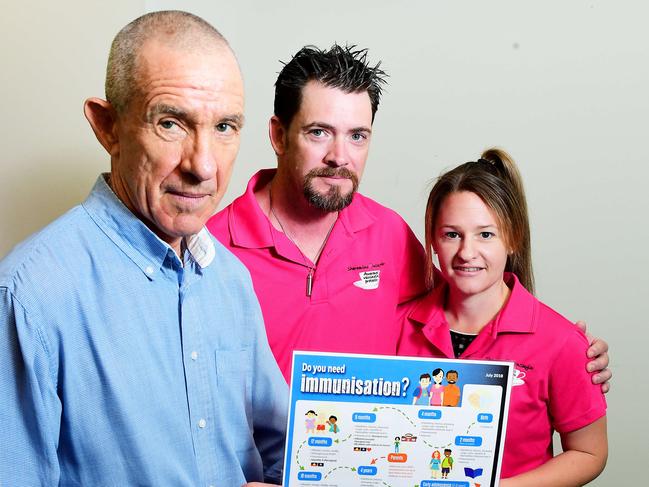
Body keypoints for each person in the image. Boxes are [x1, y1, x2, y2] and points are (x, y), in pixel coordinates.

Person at [207, 44, 612, 389]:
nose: (340, 156)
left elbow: (464, 308)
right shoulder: (210, 248)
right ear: (278, 135)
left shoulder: (389, 235)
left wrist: (566, 353)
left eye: (357, 135)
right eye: (319, 132)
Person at [0, 11, 286, 487]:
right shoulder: (29, 298)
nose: (204, 165)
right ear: (108, 126)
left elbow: (284, 452)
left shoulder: (230, 280)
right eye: (172, 123)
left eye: (225, 127)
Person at [397, 149, 608, 485]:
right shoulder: (401, 326)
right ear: (434, 240)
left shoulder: (561, 341)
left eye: (486, 234)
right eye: (452, 234)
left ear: (513, 238)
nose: (467, 252)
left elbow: (589, 453)